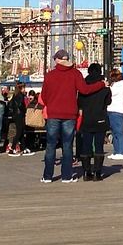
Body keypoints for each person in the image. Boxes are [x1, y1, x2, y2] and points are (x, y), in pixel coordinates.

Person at [40, 49, 106, 183]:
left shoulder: (50, 75)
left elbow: (44, 96)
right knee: (67, 145)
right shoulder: (75, 73)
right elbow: (85, 90)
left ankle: (47, 176)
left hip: (53, 114)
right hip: (70, 114)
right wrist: (101, 84)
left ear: (57, 60)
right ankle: (66, 176)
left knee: (51, 145)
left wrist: (52, 104)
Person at [78, 64, 112, 180]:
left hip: (87, 119)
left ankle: (86, 172)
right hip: (100, 118)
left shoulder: (84, 87)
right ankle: (97, 173)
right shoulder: (105, 87)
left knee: (86, 145)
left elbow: (79, 103)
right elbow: (108, 102)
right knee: (99, 145)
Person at [105, 69, 123, 157]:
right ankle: (116, 152)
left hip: (115, 110)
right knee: (115, 132)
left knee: (118, 132)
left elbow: (110, 93)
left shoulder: (118, 85)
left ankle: (120, 152)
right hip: (120, 110)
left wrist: (107, 86)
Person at [5, 82, 32, 155]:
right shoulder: (20, 95)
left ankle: (23, 148)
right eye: (24, 88)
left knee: (21, 132)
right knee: (19, 132)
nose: (24, 89)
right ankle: (12, 147)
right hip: (19, 114)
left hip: (15, 115)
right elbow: (20, 105)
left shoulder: (15, 95)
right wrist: (24, 110)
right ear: (21, 88)